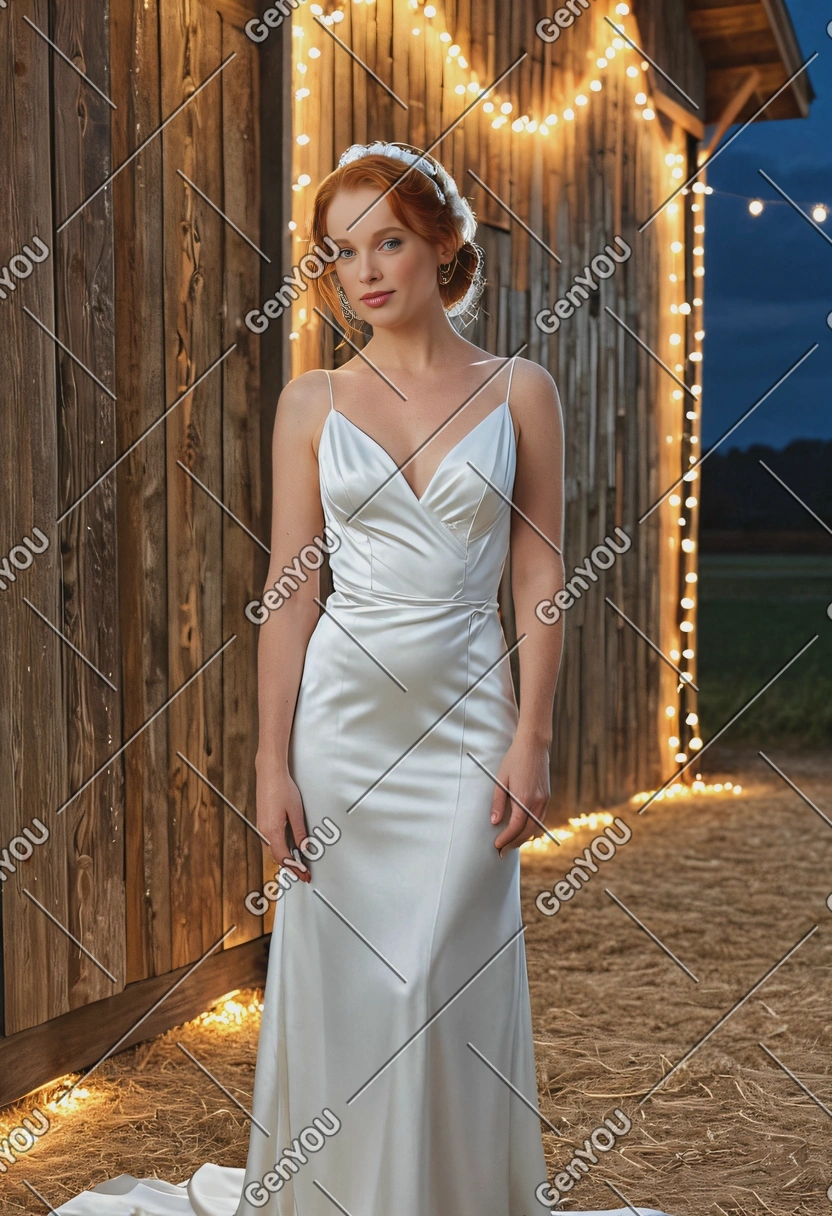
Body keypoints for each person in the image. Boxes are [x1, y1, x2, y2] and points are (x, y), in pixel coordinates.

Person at [55, 142, 673, 1216]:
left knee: (440, 975)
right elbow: (291, 591)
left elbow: (537, 572)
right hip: (341, 722)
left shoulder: (518, 389)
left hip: (472, 712)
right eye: (342, 253)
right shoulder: (313, 399)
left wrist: (533, 736)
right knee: (347, 981)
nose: (366, 270)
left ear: (441, 243)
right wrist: (267, 762)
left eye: (387, 239)